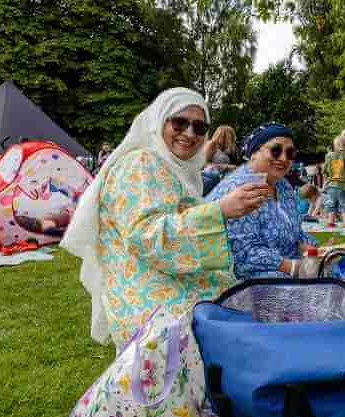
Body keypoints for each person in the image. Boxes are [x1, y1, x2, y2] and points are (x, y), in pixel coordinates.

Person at [61, 87, 269, 348]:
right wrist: (219, 211)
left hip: (168, 279)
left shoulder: (172, 166)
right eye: (180, 122)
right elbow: (145, 237)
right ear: (159, 121)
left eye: (200, 127)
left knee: (249, 305)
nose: (190, 133)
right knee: (243, 322)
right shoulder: (140, 164)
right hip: (148, 295)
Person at [206, 123, 317, 280]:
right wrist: (292, 267)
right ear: (254, 154)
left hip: (287, 268)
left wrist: (311, 252)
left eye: (290, 153)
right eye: (275, 151)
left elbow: (295, 232)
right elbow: (242, 252)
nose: (284, 158)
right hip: (246, 277)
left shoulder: (282, 185)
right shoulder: (240, 188)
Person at [323, 134, 345, 227]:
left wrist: (328, 179)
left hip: (331, 185)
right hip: (343, 185)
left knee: (332, 204)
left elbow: (324, 170)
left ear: (336, 145)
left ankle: (331, 221)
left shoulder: (329, 156)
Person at [201, 125, 239, 195]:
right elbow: (203, 164)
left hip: (220, 177)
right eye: (230, 136)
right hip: (208, 176)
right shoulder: (212, 144)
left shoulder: (226, 150)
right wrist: (226, 166)